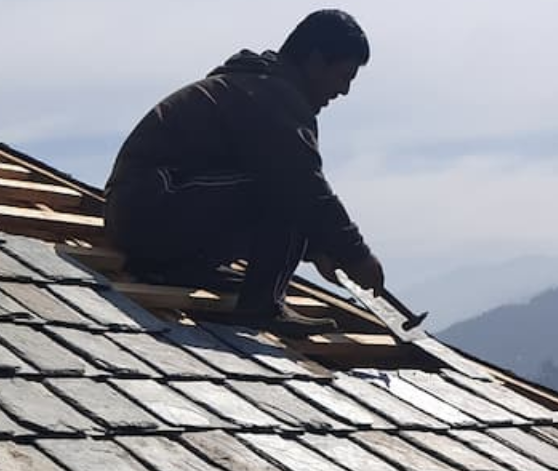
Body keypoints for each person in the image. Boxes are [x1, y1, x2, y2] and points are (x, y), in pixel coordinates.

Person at [104, 9, 385, 330]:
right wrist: (356, 256)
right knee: (287, 189)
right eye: (343, 76)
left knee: (289, 190)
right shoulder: (273, 97)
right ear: (316, 61)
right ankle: (261, 307)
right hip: (149, 209)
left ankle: (177, 268)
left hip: (141, 215)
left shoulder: (256, 88)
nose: (343, 91)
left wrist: (317, 247)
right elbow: (303, 186)